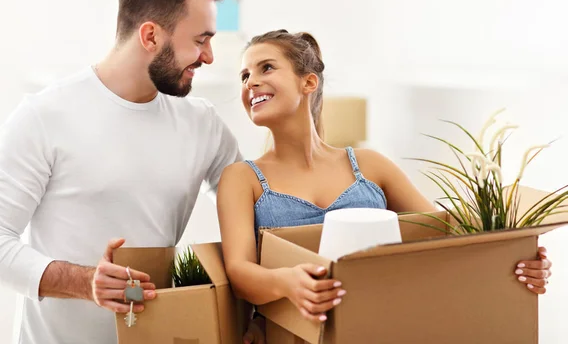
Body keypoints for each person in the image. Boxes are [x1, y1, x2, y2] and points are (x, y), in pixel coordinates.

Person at [0, 0, 264, 344]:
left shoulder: (202, 124)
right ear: (150, 36)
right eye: (200, 40)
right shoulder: (44, 116)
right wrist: (86, 281)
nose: (208, 56)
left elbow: (257, 213)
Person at [216, 29, 553, 323]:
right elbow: (240, 272)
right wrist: (287, 282)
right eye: (244, 76)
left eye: (266, 68)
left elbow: (444, 234)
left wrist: (514, 260)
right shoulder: (241, 179)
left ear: (308, 82)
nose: (251, 82)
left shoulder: (369, 165)